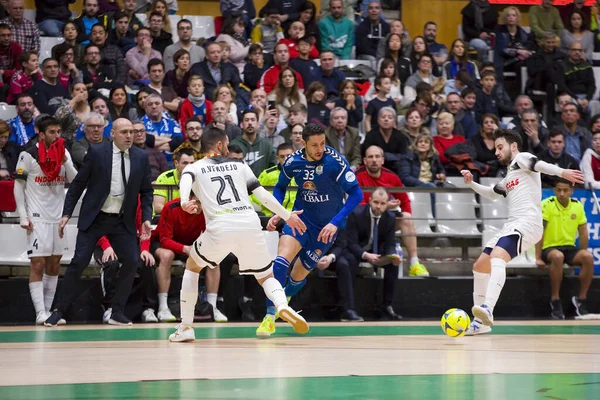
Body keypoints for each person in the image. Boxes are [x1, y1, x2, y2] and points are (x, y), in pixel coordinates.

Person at [168, 126, 309, 342]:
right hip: (250, 224)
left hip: (220, 227)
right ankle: (281, 305)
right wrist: (287, 215)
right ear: (219, 145)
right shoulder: (240, 165)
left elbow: (185, 179)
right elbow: (263, 197)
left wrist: (185, 200)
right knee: (265, 276)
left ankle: (186, 327)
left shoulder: (195, 167)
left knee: (193, 267)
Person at [461, 129, 583, 335]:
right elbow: (491, 194)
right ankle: (479, 324)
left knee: (498, 257)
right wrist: (471, 183)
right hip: (512, 225)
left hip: (529, 223)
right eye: (495, 148)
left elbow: (540, 165)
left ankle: (487, 308)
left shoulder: (522, 158)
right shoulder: (510, 175)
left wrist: (562, 172)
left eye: (500, 147)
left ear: (513, 146)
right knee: (480, 266)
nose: (496, 152)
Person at [255, 122, 363, 337]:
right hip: (300, 220)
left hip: (325, 229)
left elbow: (356, 194)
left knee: (298, 276)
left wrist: (335, 222)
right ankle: (269, 317)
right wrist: (278, 211)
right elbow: (280, 187)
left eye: (322, 143)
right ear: (303, 143)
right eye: (314, 145)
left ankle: (283, 300)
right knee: (280, 262)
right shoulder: (293, 162)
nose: (320, 149)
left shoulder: (335, 162)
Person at [45, 118, 154, 327]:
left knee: (132, 260)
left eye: (131, 132)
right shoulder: (97, 153)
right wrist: (66, 213)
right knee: (78, 262)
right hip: (96, 218)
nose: (129, 136)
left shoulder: (140, 157)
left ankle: (117, 311)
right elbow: (78, 185)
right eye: (124, 132)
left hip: (122, 220)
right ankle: (58, 311)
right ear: (112, 134)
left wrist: (147, 218)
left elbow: (147, 192)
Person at [14, 116, 77, 325]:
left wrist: (66, 161)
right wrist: (22, 215)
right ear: (41, 134)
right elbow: (18, 186)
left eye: (59, 131)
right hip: (37, 217)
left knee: (54, 263)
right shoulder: (28, 154)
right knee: (38, 263)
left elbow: (75, 181)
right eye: (52, 132)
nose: (57, 136)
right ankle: (40, 312)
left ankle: (49, 312)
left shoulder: (64, 153)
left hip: (58, 217)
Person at [355, 145, 430, 277]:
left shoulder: (392, 177)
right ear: (365, 160)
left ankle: (414, 263)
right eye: (370, 157)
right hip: (362, 223)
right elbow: (357, 206)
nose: (374, 160)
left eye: (377, 157)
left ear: (382, 160)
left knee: (406, 218)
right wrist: (385, 206)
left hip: (384, 223)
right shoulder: (356, 177)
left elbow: (405, 201)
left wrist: (408, 220)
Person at [536, 178, 593, 319]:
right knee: (558, 257)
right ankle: (555, 300)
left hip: (569, 247)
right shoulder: (546, 205)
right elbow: (540, 231)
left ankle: (581, 300)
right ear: (554, 190)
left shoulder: (577, 206)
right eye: (559, 190)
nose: (562, 193)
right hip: (549, 248)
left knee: (588, 257)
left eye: (565, 190)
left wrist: (584, 250)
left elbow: (583, 231)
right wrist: (538, 257)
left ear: (571, 191)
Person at [346, 187, 402, 320]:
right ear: (370, 201)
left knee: (393, 264)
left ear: (387, 204)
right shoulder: (356, 213)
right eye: (376, 202)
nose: (379, 206)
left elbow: (390, 243)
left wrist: (392, 255)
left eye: (383, 203)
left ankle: (387, 305)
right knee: (348, 261)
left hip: (377, 251)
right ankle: (349, 308)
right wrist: (365, 255)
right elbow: (351, 243)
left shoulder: (390, 217)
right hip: (357, 250)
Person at [251, 143, 296, 216]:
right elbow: (254, 194)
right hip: (271, 216)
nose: (285, 159)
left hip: (295, 216)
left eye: (288, 156)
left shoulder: (301, 173)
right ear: (278, 158)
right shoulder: (267, 174)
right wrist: (269, 205)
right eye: (282, 157)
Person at [230, 109, 277, 177]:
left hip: (263, 185)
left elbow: (273, 171)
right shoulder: (233, 145)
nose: (250, 123)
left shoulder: (267, 146)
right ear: (241, 125)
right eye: (246, 120)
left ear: (258, 124)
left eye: (252, 120)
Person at [153, 148, 195, 215]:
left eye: (192, 163)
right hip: (168, 218)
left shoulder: (198, 178)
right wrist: (179, 215)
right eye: (185, 163)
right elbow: (158, 207)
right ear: (176, 163)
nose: (189, 166)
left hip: (188, 218)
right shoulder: (164, 178)